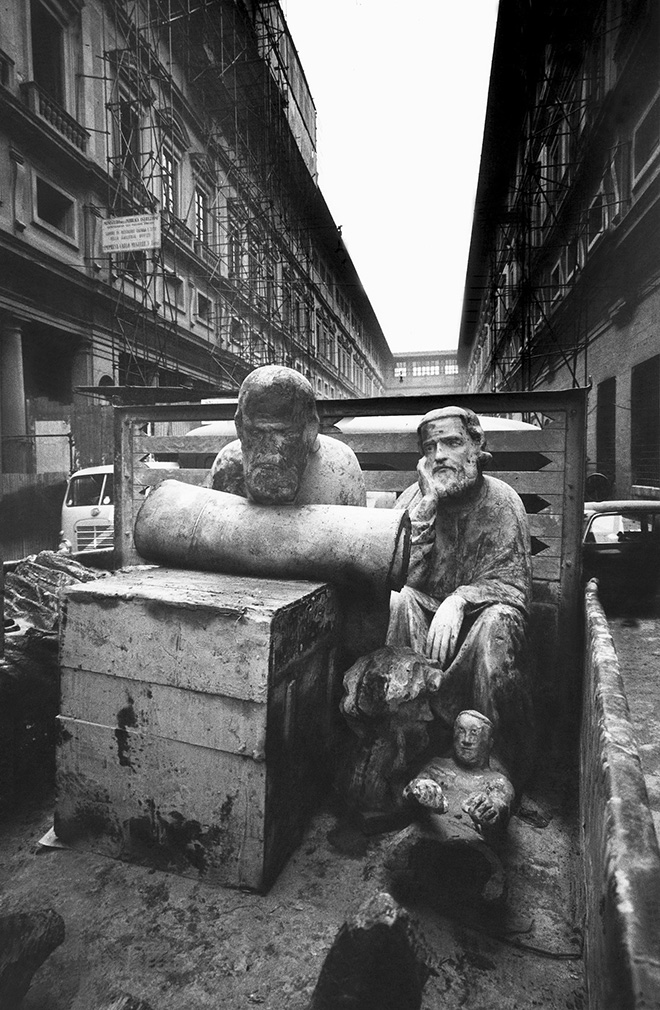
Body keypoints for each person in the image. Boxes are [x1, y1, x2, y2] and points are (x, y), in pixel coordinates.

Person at [209, 365, 366, 507]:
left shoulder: (340, 469)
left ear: (310, 430)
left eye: (285, 434)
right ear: (240, 427)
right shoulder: (227, 464)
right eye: (256, 433)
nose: (270, 454)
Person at [403, 709, 514, 842]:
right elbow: (412, 793)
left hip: (467, 848)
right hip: (420, 839)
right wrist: (418, 789)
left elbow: (500, 804)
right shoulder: (436, 767)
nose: (466, 740)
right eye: (461, 730)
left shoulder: (497, 781)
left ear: (490, 743)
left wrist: (490, 810)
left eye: (475, 732)